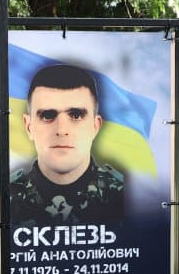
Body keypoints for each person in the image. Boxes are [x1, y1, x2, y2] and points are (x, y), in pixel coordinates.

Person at [9, 63, 124, 224]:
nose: (61, 130)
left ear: (95, 126)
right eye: (47, 115)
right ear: (29, 127)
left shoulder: (129, 198)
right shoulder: (0, 199)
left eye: (76, 115)